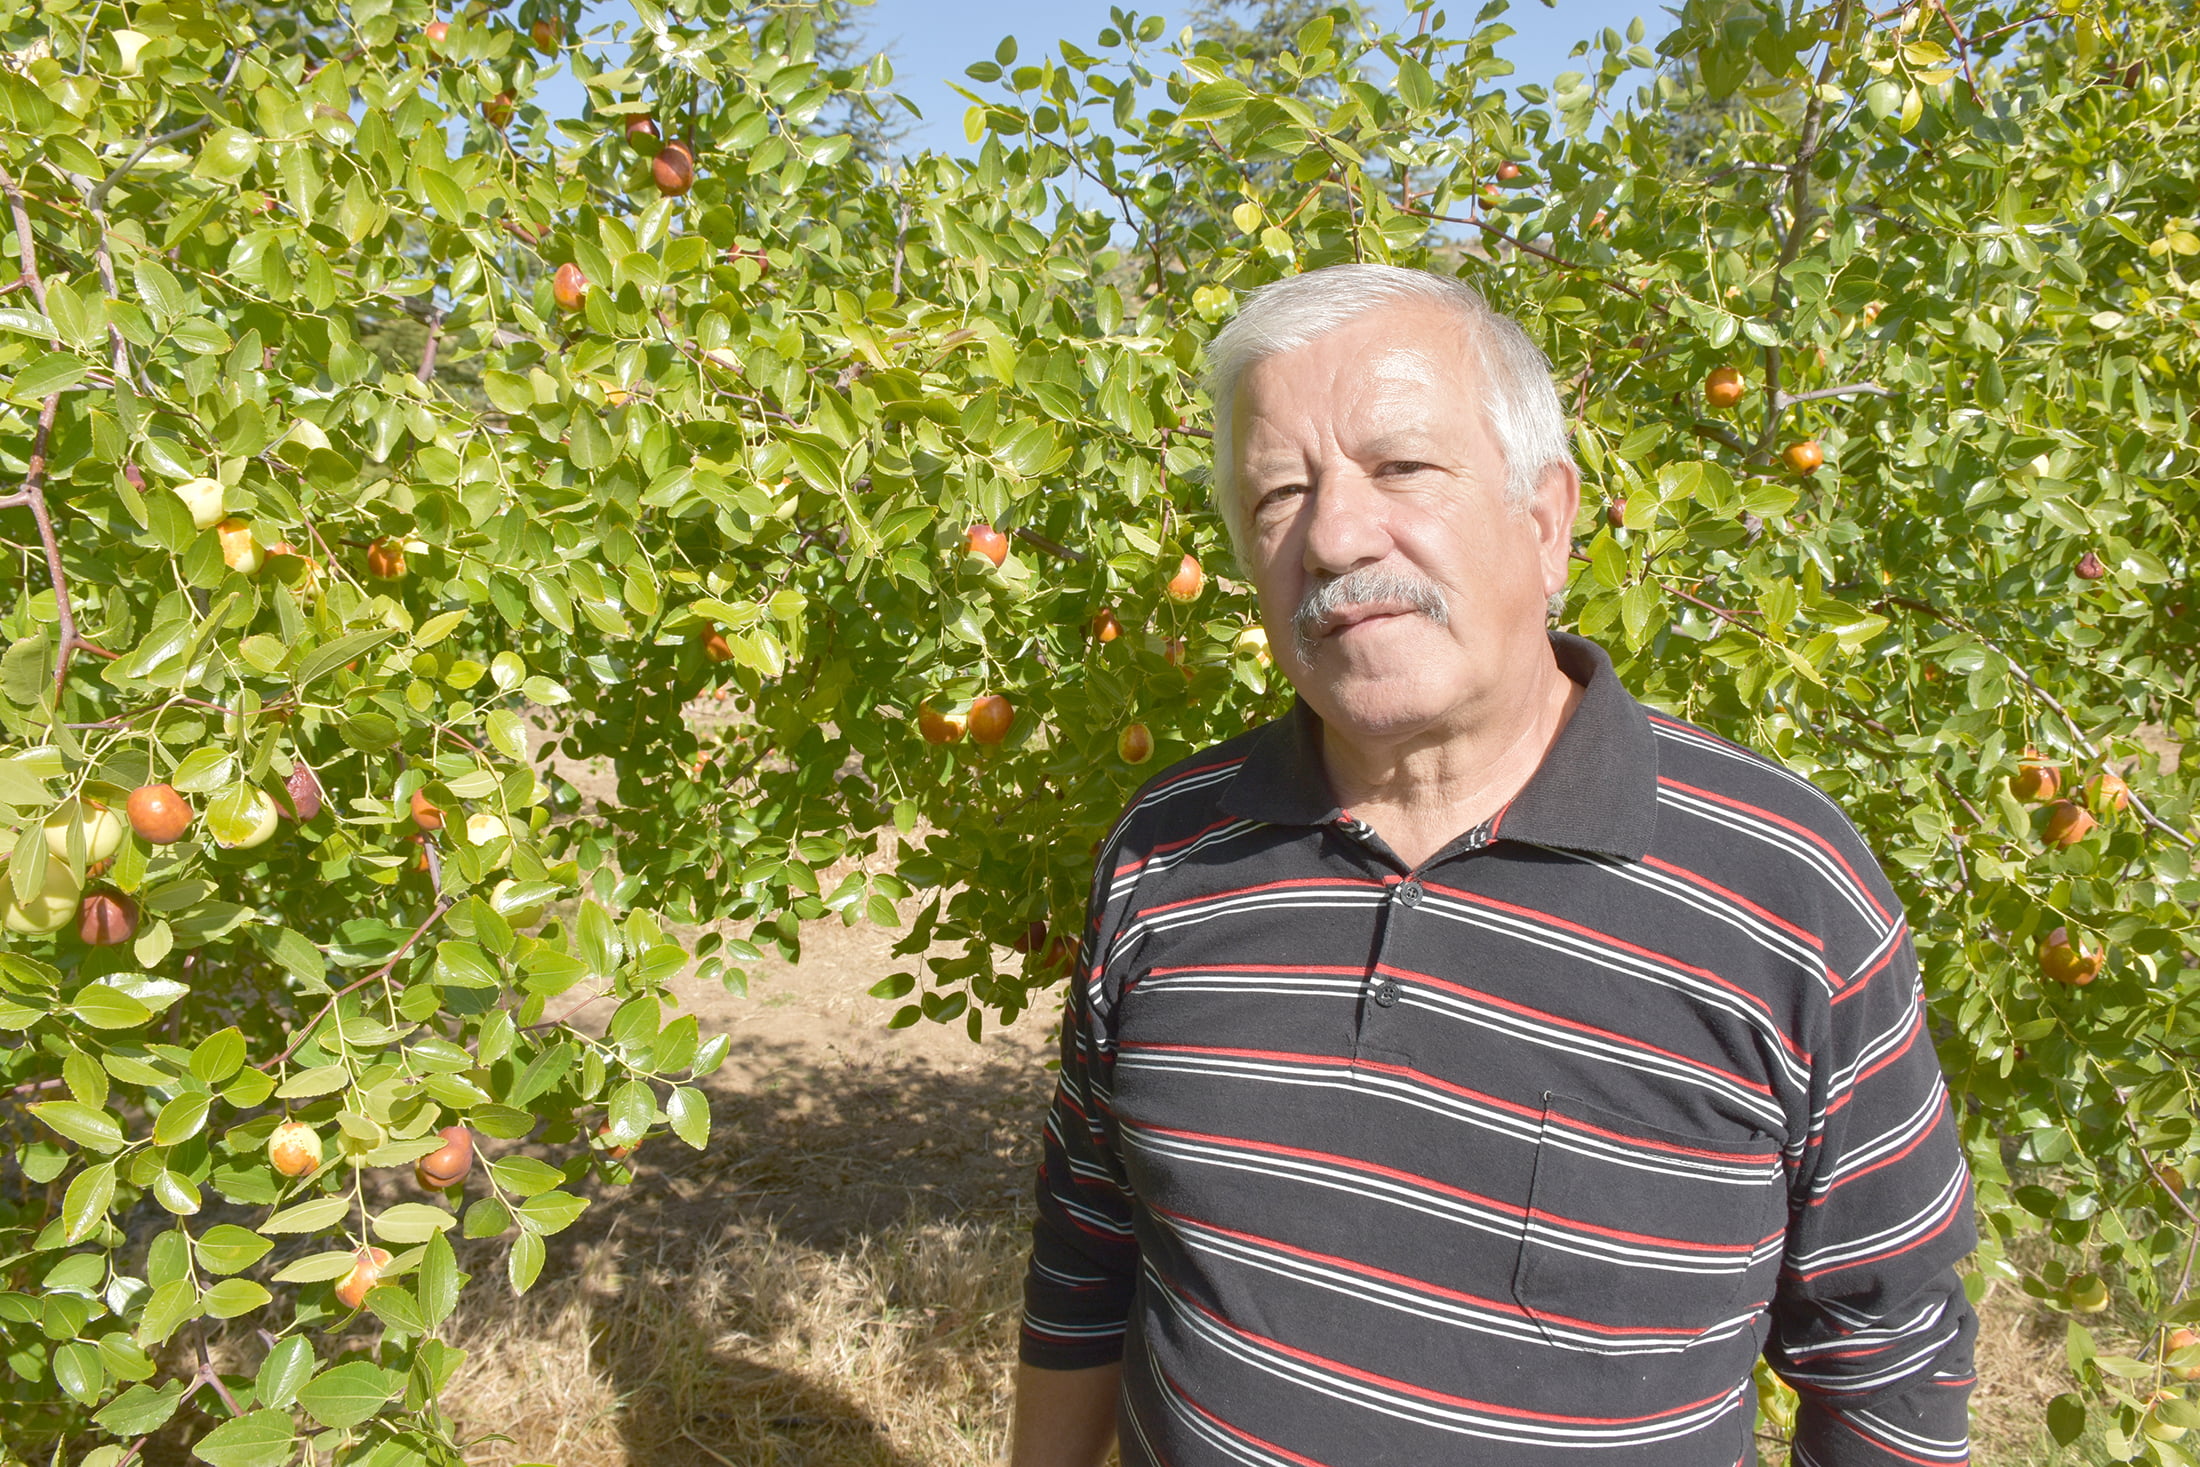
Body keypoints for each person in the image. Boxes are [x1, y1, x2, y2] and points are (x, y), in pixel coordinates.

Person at [1009, 264, 1976, 1467]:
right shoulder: (1170, 848)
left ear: (1545, 518)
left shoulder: (1783, 886)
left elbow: (1886, 1351)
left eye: (1401, 467)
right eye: (1276, 497)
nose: (1333, 535)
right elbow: (1089, 1243)